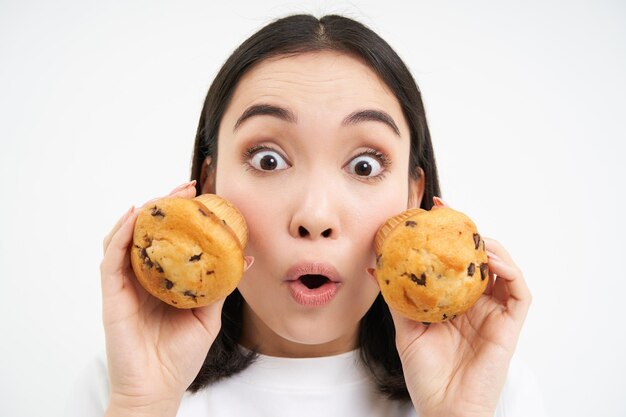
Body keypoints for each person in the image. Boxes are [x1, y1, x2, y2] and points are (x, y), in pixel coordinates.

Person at [77, 14, 547, 417]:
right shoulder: (122, 384)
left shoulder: (494, 391)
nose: (315, 216)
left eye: (365, 165)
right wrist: (142, 404)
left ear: (413, 199)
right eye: (267, 159)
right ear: (209, 186)